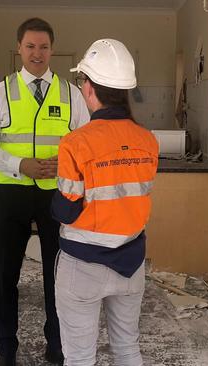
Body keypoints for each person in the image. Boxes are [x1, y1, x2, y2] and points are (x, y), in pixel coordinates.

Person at [0, 17, 89, 366]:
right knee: (5, 277)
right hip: (12, 194)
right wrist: (19, 164)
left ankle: (57, 346)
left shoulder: (71, 93)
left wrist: (64, 164)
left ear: (52, 50)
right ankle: (6, 351)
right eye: (30, 46)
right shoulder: (1, 93)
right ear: (19, 49)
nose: (37, 53)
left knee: (58, 276)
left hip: (57, 195)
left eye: (44, 47)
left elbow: (85, 143)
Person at [52, 39, 159, 366]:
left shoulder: (75, 143)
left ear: (88, 87)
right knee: (127, 348)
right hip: (131, 264)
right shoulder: (148, 140)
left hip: (83, 265)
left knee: (81, 358)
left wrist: (51, 202)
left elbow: (67, 210)